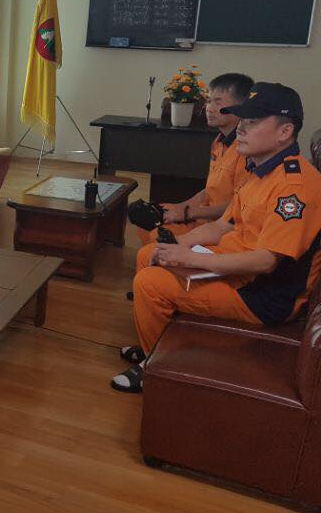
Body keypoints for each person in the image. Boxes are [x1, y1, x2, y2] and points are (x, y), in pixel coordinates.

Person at [113, 83, 321, 393]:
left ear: (285, 131)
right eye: (243, 120)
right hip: (233, 270)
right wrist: (176, 246)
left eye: (253, 122)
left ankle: (157, 372)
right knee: (150, 253)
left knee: (150, 284)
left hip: (261, 294)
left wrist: (192, 258)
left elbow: (266, 261)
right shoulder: (261, 171)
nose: (242, 129)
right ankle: (154, 350)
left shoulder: (296, 187)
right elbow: (222, 227)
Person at [135, 73, 253, 245]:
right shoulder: (219, 141)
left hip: (223, 227)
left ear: (241, 107)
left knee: (156, 236)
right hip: (203, 216)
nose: (209, 108)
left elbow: (237, 206)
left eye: (218, 102)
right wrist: (182, 206)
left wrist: (188, 213)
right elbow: (210, 190)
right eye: (209, 101)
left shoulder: (246, 150)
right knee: (148, 219)